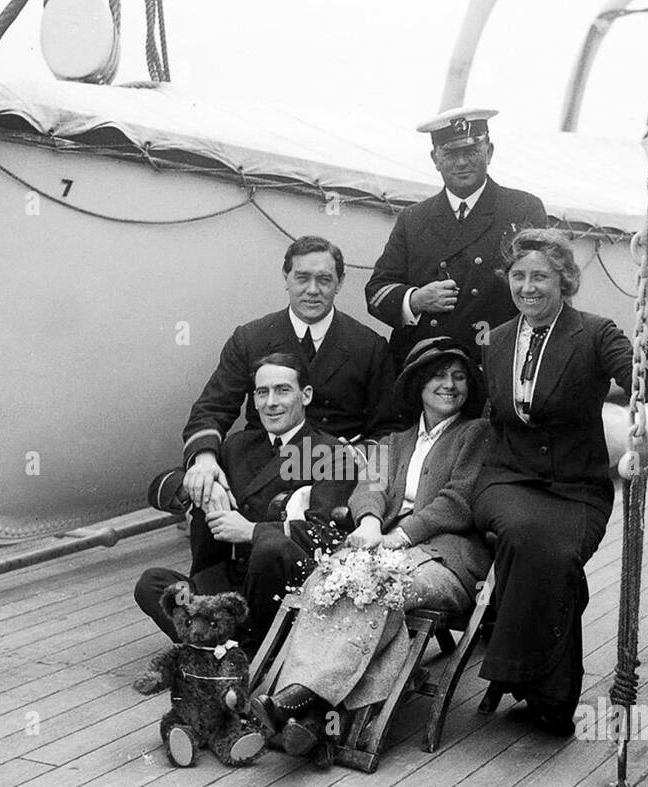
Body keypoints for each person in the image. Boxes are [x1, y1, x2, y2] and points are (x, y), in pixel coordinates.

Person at [473, 227, 648, 735]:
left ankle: (526, 678)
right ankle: (549, 695)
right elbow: (492, 420)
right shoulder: (495, 341)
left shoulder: (595, 332)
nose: (528, 286)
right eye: (519, 276)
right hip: (508, 480)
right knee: (528, 537)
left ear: (565, 280)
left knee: (560, 559)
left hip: (576, 487)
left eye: (540, 275)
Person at [253, 337, 492, 756]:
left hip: (447, 558)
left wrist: (395, 539)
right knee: (326, 580)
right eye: (438, 376)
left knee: (376, 588)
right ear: (418, 384)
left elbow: (457, 501)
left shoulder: (477, 435)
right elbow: (371, 488)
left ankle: (302, 698)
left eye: (458, 377)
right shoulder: (393, 442)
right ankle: (317, 723)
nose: (450, 385)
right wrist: (367, 524)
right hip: (381, 546)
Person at [135, 353, 356, 650]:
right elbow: (159, 489)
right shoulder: (238, 445)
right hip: (224, 587)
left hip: (283, 591)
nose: (271, 402)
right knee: (152, 584)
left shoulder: (330, 453)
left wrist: (251, 530)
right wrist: (199, 485)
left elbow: (327, 537)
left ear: (306, 395)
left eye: (283, 390)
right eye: (262, 393)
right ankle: (229, 648)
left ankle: (220, 647)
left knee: (270, 548)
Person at [181, 235, 395, 509]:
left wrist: (355, 457)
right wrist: (205, 460)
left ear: (340, 282)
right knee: (199, 494)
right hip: (265, 468)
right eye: (302, 278)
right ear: (286, 278)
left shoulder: (369, 346)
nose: (312, 290)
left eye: (324, 280)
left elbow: (391, 428)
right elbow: (212, 408)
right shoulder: (250, 338)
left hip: (334, 472)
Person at [365, 107, 548, 372]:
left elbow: (543, 290)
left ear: (490, 151)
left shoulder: (522, 209)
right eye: (450, 153)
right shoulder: (413, 218)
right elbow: (377, 293)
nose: (461, 162)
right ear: (435, 159)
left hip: (493, 365)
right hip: (425, 369)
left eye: (471, 151)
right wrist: (415, 299)